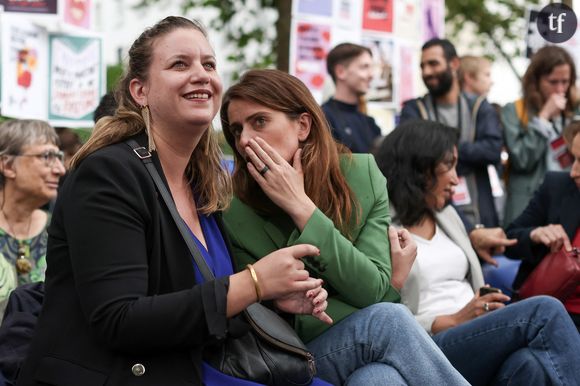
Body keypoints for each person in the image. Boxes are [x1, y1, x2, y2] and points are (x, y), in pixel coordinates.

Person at [18, 17, 334, 385]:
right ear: (140, 90)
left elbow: (200, 303)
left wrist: (269, 299)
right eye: (179, 64)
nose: (201, 74)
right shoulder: (108, 173)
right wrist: (254, 283)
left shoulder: (202, 184)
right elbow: (120, 321)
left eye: (209, 64)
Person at [220, 69, 469, 386]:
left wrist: (301, 207)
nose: (243, 140)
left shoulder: (362, 174)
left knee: (377, 379)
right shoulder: (234, 211)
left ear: (303, 125)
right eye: (236, 129)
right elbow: (372, 299)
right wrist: (361, 291)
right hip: (293, 355)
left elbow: (376, 290)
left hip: (365, 343)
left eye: (259, 122)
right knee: (386, 320)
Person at [375, 119, 580, 385]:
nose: (455, 179)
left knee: (529, 364)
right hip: (427, 342)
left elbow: (480, 248)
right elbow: (380, 315)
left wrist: (479, 304)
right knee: (545, 310)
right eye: (448, 166)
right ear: (419, 169)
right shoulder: (381, 228)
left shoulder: (446, 214)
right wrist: (452, 319)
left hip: (475, 331)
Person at [400, 38, 503, 229]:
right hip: (433, 218)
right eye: (422, 66)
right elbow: (412, 157)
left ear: (454, 64)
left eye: (433, 64)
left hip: (480, 211)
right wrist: (469, 153)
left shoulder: (479, 107)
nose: (426, 72)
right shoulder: (414, 109)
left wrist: (440, 156)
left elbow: (492, 150)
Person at [505, 119, 580, 329]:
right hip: (546, 316)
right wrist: (535, 234)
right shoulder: (558, 187)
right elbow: (509, 239)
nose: (574, 171)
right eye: (573, 159)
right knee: (527, 361)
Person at [501, 46, 579, 225]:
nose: (560, 89)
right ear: (535, 81)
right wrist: (543, 118)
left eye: (565, 82)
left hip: (566, 203)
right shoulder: (514, 111)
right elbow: (522, 160)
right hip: (529, 205)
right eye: (553, 82)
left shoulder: (574, 111)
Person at [0, 119, 66, 319]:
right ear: (8, 165)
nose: (60, 170)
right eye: (47, 156)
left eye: (59, 158)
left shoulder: (59, 229)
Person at [321, 43, 383, 153]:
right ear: (340, 72)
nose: (371, 75)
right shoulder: (322, 118)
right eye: (364, 67)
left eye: (371, 67)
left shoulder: (370, 123)